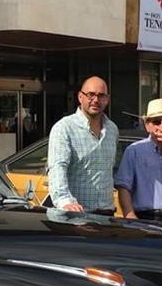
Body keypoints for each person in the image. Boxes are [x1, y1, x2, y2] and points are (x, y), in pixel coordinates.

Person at [47, 76, 119, 214]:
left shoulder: (112, 129)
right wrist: (65, 201)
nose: (96, 100)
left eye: (101, 96)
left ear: (107, 99)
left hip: (107, 212)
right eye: (90, 95)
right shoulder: (64, 128)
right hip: (76, 213)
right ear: (80, 97)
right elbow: (57, 168)